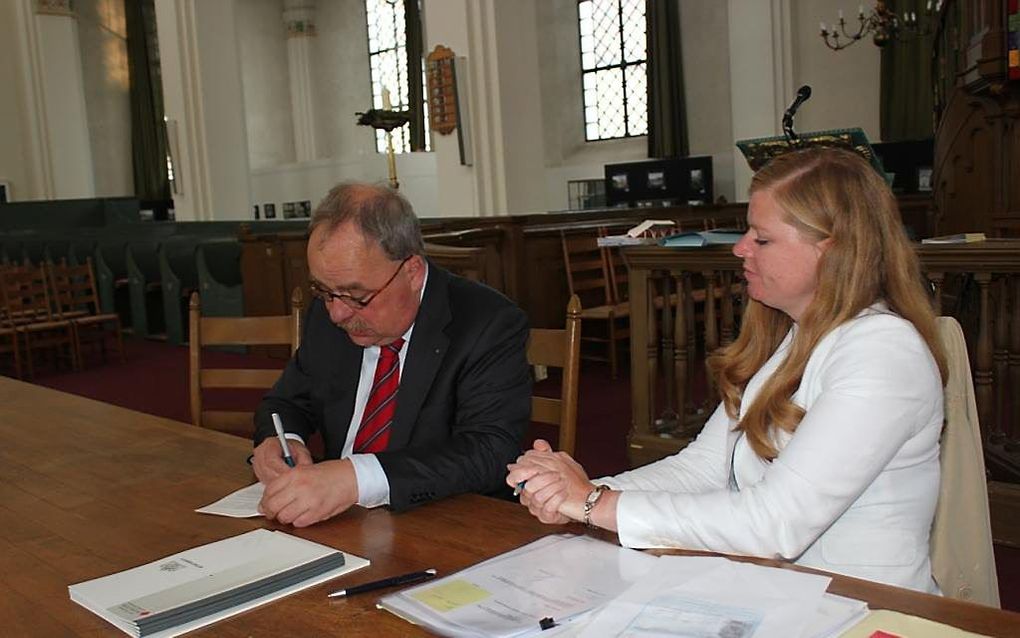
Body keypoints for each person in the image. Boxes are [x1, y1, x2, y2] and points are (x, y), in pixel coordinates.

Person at [507, 147, 948, 593]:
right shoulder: (793, 337)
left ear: (830, 250)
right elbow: (703, 469)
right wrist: (575, 495)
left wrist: (592, 503)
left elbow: (777, 524)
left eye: (761, 238)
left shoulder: (884, 353)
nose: (740, 248)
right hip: (787, 594)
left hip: (865, 607)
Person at [253, 182, 531, 527]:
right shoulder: (329, 314)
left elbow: (490, 451)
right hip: (336, 522)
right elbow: (286, 402)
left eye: (357, 296)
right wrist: (280, 442)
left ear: (412, 272)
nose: (337, 314)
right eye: (323, 291)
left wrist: (356, 479)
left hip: (441, 524)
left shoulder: (487, 322)